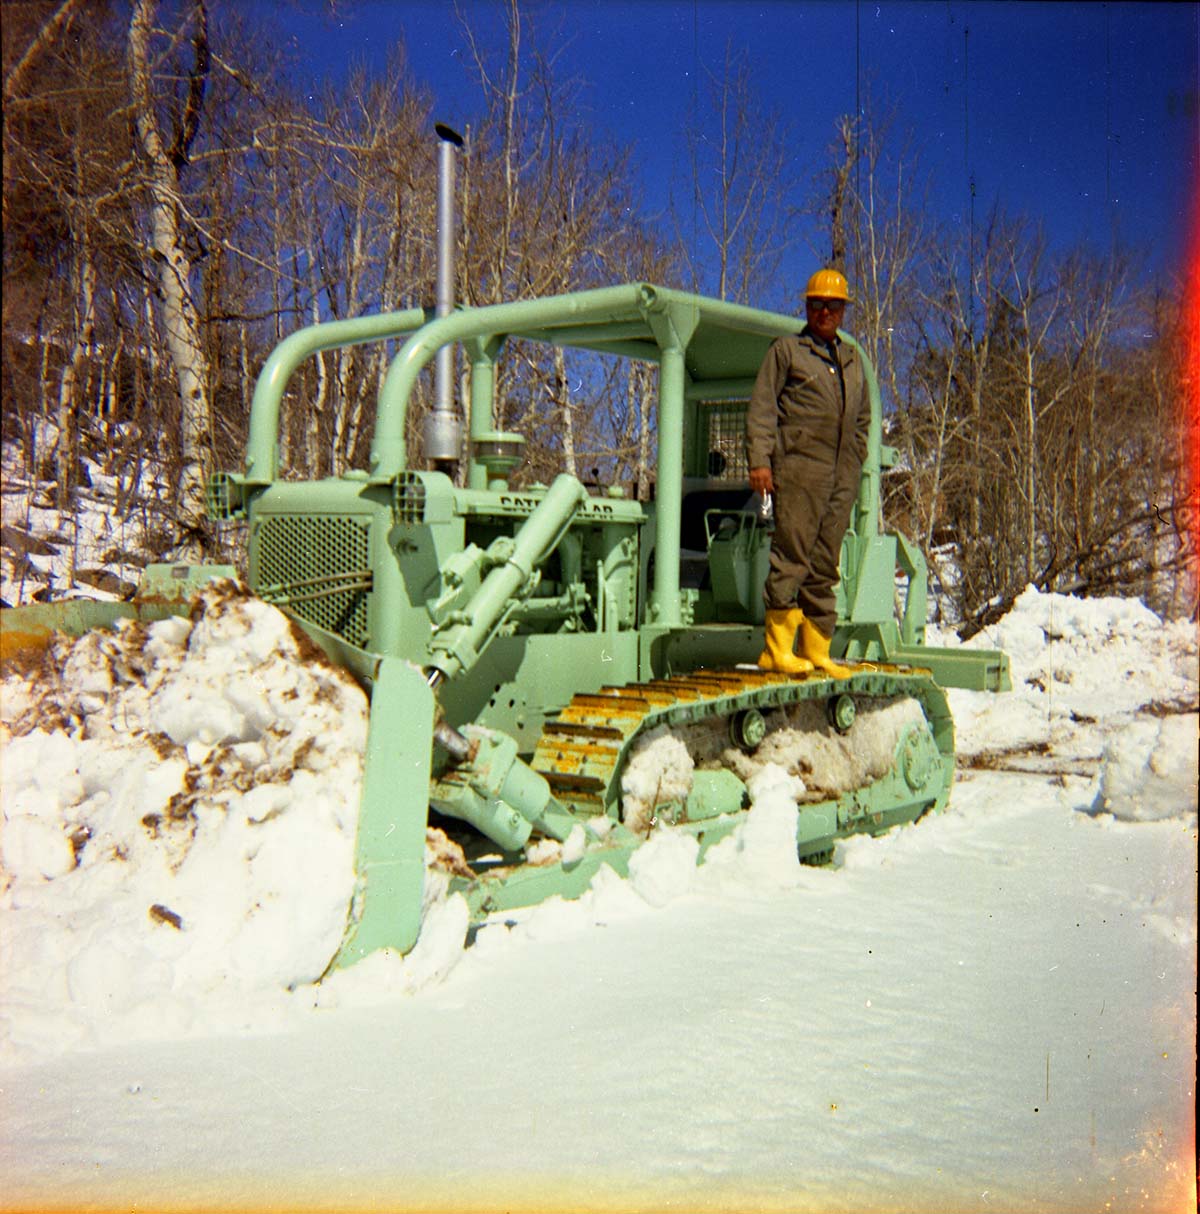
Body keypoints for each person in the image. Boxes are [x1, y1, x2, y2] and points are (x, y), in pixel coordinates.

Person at [746, 268, 868, 677]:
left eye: (833, 305)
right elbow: (762, 408)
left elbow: (862, 419)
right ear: (807, 307)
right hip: (798, 470)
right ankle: (776, 650)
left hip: (841, 475)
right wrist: (761, 461)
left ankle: (816, 650)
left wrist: (856, 460)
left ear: (843, 310)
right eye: (817, 304)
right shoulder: (787, 351)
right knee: (792, 557)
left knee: (825, 564)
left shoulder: (851, 360)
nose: (825, 312)